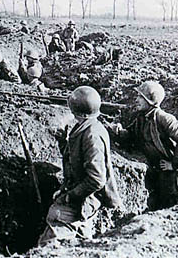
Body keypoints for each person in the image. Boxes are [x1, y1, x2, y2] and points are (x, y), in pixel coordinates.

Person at [38, 86, 122, 245]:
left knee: (54, 223)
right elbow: (77, 159)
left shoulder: (92, 136)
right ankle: (84, 242)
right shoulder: (86, 126)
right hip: (81, 193)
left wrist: (70, 196)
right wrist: (63, 141)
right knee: (81, 236)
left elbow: (96, 179)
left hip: (85, 199)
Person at [107, 81, 178, 211]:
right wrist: (118, 132)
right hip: (157, 169)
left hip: (172, 173)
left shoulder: (164, 118)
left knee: (172, 207)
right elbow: (131, 136)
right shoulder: (140, 117)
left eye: (140, 97)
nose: (137, 100)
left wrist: (174, 164)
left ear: (150, 101)